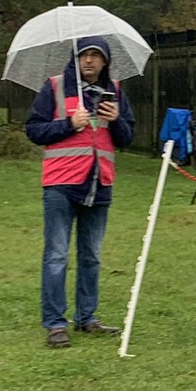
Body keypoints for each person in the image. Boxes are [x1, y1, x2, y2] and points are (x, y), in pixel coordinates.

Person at [26, 38, 136, 347]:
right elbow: (33, 130)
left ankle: (87, 317)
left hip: (100, 183)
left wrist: (116, 121)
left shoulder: (115, 91)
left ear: (105, 62)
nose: (89, 60)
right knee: (57, 256)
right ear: (75, 59)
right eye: (83, 55)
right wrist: (68, 124)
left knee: (92, 256)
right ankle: (55, 324)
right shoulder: (55, 87)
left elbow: (127, 138)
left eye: (95, 56)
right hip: (61, 183)